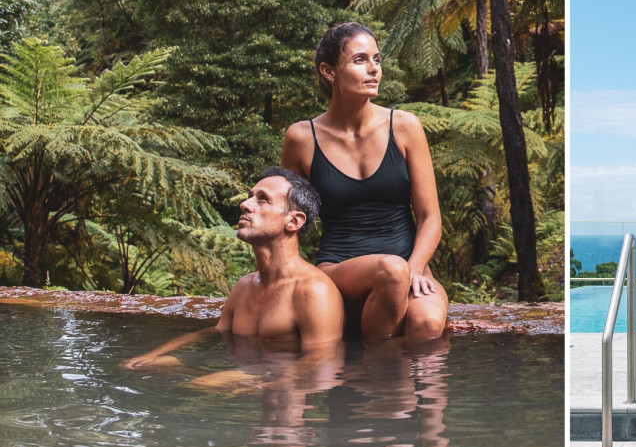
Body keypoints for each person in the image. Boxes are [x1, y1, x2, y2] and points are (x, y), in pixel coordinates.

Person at [281, 22, 448, 341]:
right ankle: (377, 379)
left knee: (426, 323)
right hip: (340, 267)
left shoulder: (404, 127)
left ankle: (385, 384)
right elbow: (287, 224)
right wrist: (294, 283)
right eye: (360, 60)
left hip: (408, 265)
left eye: (377, 59)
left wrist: (414, 267)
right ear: (329, 71)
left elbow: (430, 218)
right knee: (391, 270)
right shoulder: (302, 138)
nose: (374, 69)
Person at [123, 167, 344, 369]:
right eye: (250, 197)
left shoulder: (314, 290)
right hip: (256, 389)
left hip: (286, 398)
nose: (245, 204)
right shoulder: (245, 286)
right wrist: (153, 356)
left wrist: (236, 380)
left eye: (263, 200)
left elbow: (321, 364)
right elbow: (215, 334)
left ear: (294, 221)